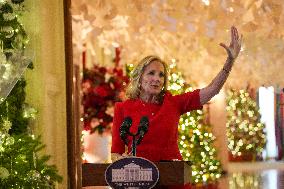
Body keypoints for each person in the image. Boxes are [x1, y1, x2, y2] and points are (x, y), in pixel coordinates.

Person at [111, 26, 242, 162]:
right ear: (139, 78)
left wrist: (230, 61)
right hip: (139, 179)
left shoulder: (173, 103)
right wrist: (122, 160)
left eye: (161, 75)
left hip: (172, 178)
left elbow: (212, 89)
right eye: (151, 73)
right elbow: (115, 153)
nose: (157, 79)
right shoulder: (123, 108)